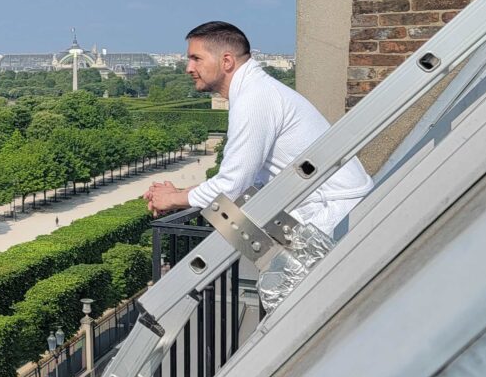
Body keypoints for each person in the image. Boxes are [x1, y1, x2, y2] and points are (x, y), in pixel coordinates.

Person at [144, 21, 373, 236]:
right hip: (336, 210)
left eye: (196, 58)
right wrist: (180, 193)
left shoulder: (253, 99)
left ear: (226, 61)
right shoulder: (257, 90)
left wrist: (172, 200)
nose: (188, 68)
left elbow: (232, 186)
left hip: (333, 214)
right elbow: (242, 179)